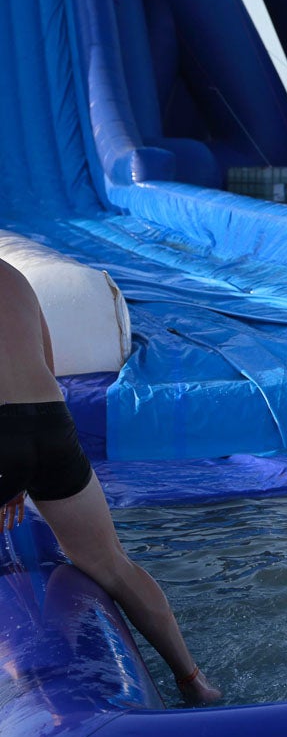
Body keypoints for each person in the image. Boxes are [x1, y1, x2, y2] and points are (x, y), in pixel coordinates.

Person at [0, 257, 220, 705]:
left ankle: (19, 682)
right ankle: (194, 681)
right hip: (50, 422)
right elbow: (48, 361)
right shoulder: (14, 276)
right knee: (112, 564)